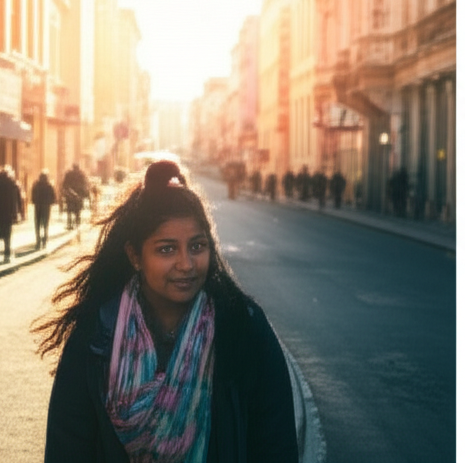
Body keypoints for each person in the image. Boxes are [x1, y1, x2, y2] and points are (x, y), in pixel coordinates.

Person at [35, 160, 298, 462]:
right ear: (135, 256)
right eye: (167, 249)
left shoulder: (242, 328)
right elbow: (67, 446)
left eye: (197, 246)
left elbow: (275, 445)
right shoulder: (97, 334)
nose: (186, 264)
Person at [31, 171, 57, 250]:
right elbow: (53, 196)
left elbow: (33, 195)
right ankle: (45, 241)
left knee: (37, 225)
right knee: (45, 224)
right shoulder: (49, 185)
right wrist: (52, 202)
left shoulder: (36, 185)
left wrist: (34, 201)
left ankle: (38, 242)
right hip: (46, 206)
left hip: (38, 206)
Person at [62, 164, 90, 230]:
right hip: (79, 195)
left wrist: (66, 191)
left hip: (70, 195)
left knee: (69, 210)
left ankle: (69, 224)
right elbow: (85, 185)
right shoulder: (81, 174)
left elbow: (64, 184)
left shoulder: (68, 174)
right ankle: (77, 222)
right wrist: (84, 194)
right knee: (78, 210)